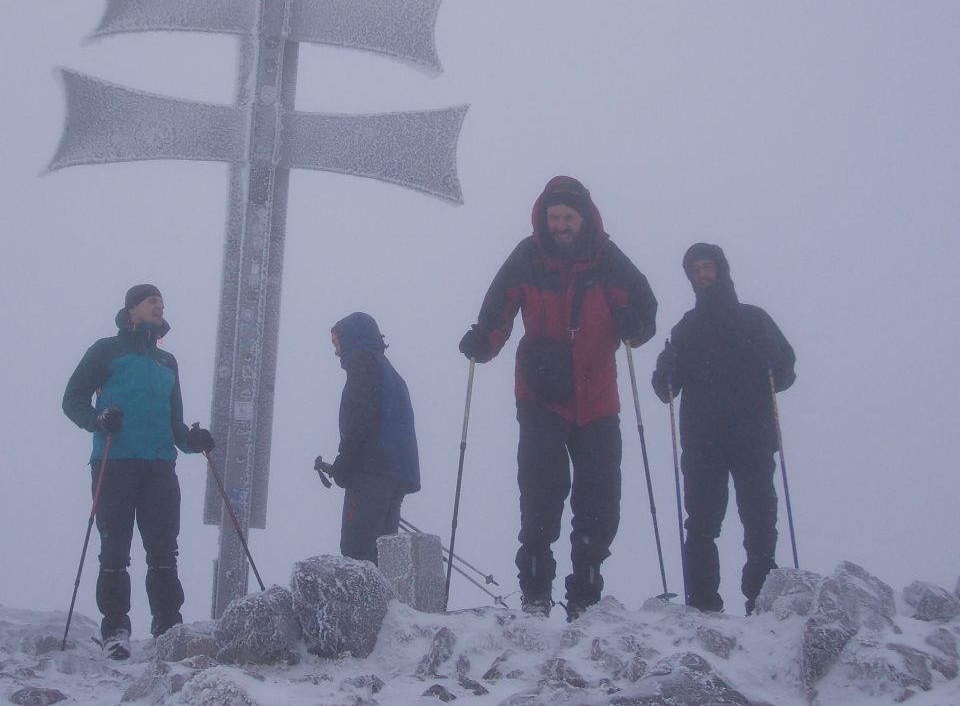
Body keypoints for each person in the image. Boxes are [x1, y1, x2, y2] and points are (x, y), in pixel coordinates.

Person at [459, 176, 656, 619]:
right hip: (541, 393)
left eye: (567, 217)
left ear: (583, 218)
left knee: (599, 499)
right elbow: (497, 311)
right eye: (554, 218)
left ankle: (585, 593)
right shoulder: (528, 257)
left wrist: (635, 326)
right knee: (541, 491)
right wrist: (483, 342)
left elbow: (646, 307)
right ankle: (535, 592)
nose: (560, 226)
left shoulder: (608, 260)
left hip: (597, 399)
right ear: (543, 217)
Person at [62, 283, 214, 660]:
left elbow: (174, 423)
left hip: (160, 465)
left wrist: (193, 440)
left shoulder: (168, 362)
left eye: (161, 300)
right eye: (151, 300)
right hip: (114, 461)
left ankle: (167, 625)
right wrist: (98, 419)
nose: (159, 304)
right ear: (130, 310)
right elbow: (72, 399)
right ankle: (115, 630)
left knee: (164, 549)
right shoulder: (106, 350)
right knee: (114, 549)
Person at [651, 243, 795, 615]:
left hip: (748, 436)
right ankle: (704, 605)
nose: (702, 275)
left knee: (758, 519)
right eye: (696, 270)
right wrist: (664, 369)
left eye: (707, 267)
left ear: (721, 270)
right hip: (706, 442)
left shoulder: (753, 320)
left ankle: (758, 600)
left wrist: (772, 356)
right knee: (703, 523)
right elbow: (666, 390)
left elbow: (784, 373)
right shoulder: (688, 328)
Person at [328, 312, 421, 564]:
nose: (336, 351)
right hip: (396, 472)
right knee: (384, 554)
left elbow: (361, 413)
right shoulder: (387, 370)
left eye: (337, 342)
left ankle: (361, 604)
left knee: (357, 549)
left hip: (371, 470)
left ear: (352, 338)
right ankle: (385, 603)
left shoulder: (362, 362)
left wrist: (346, 460)